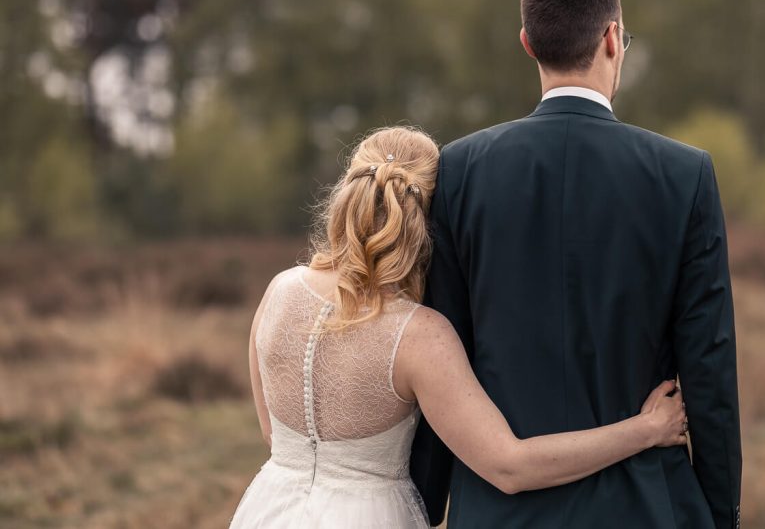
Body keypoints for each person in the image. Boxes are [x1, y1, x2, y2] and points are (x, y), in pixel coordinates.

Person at [410, 0, 742, 529]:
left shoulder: (459, 170)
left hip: (496, 509)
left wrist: (429, 494)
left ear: (527, 43)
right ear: (612, 38)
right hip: (645, 506)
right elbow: (709, 364)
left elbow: (444, 345)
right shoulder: (684, 174)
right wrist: (719, 512)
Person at [229, 126, 690, 528]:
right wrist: (646, 429)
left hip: (269, 509)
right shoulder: (418, 336)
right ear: (430, 221)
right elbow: (510, 467)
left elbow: (274, 435)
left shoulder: (278, 291)